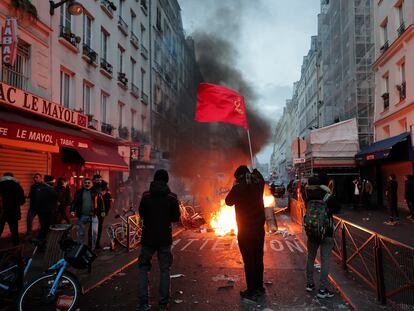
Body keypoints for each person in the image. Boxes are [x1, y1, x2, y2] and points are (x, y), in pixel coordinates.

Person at [137, 169, 180, 311]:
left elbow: (141, 214)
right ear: (167, 180)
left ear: (154, 180)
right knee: (164, 270)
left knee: (143, 269)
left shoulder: (146, 196)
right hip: (164, 239)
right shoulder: (172, 198)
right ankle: (163, 304)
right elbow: (175, 218)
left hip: (148, 238)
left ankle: (143, 303)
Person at [225, 166, 265, 302]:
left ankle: (252, 291)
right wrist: (255, 171)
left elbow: (228, 201)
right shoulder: (258, 185)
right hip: (259, 229)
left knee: (249, 261)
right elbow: (261, 178)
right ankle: (259, 287)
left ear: (239, 177)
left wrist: (236, 185)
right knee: (258, 258)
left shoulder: (238, 188)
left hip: (245, 231)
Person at [303, 175, 340, 299]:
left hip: (312, 232)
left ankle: (309, 283)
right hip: (326, 232)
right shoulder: (327, 196)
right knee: (325, 261)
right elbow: (338, 209)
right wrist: (329, 192)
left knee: (310, 257)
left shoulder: (307, 197)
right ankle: (322, 289)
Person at [71, 178, 105, 250]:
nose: (87, 184)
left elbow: (101, 202)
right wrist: (72, 210)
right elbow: (74, 201)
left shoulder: (96, 192)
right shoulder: (79, 192)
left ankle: (92, 248)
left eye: (89, 183)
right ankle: (81, 247)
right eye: (85, 183)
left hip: (93, 215)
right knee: (81, 233)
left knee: (94, 233)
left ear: (92, 184)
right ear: (83, 184)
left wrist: (102, 211)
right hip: (82, 215)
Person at [0, 173, 25, 245]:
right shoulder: (17, 186)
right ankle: (16, 249)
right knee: (14, 232)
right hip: (13, 212)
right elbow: (22, 201)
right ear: (12, 177)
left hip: (1, 212)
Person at [36, 175, 58, 246]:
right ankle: (41, 242)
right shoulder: (48, 189)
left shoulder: (40, 187)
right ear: (50, 182)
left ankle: (41, 241)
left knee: (44, 226)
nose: (54, 183)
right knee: (45, 227)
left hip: (41, 210)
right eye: (53, 181)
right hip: (47, 211)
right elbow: (56, 195)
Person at [92, 175, 111, 249]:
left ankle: (96, 244)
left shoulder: (104, 188)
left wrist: (105, 211)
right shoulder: (92, 187)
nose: (98, 181)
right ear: (93, 180)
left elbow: (108, 200)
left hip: (101, 211)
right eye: (96, 180)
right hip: (92, 211)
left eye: (99, 180)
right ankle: (93, 244)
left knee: (99, 227)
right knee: (92, 229)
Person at [26, 173, 43, 238]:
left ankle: (43, 235)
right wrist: (27, 196)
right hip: (33, 207)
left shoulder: (44, 186)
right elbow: (31, 195)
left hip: (41, 208)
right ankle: (29, 234)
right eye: (34, 177)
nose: (35, 179)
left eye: (37, 177)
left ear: (41, 178)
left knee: (42, 222)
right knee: (29, 220)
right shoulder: (32, 186)